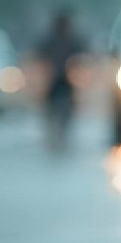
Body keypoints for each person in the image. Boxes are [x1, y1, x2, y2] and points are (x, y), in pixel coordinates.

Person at [33, 8, 87, 151]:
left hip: (66, 79)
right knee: (51, 108)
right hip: (54, 79)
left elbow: (81, 55)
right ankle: (54, 133)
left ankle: (62, 132)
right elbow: (39, 55)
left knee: (67, 107)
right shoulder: (51, 40)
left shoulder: (71, 40)